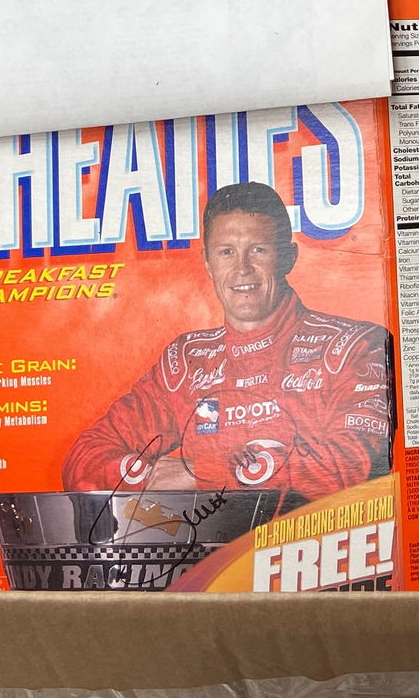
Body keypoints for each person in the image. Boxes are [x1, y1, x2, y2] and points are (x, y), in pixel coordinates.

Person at [62, 181, 392, 497]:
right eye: (226, 252)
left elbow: (354, 465)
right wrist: (151, 476)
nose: (242, 269)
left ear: (288, 258)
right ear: (207, 263)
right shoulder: (189, 360)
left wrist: (203, 472)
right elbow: (85, 458)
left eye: (258, 250)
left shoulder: (355, 346)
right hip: (209, 552)